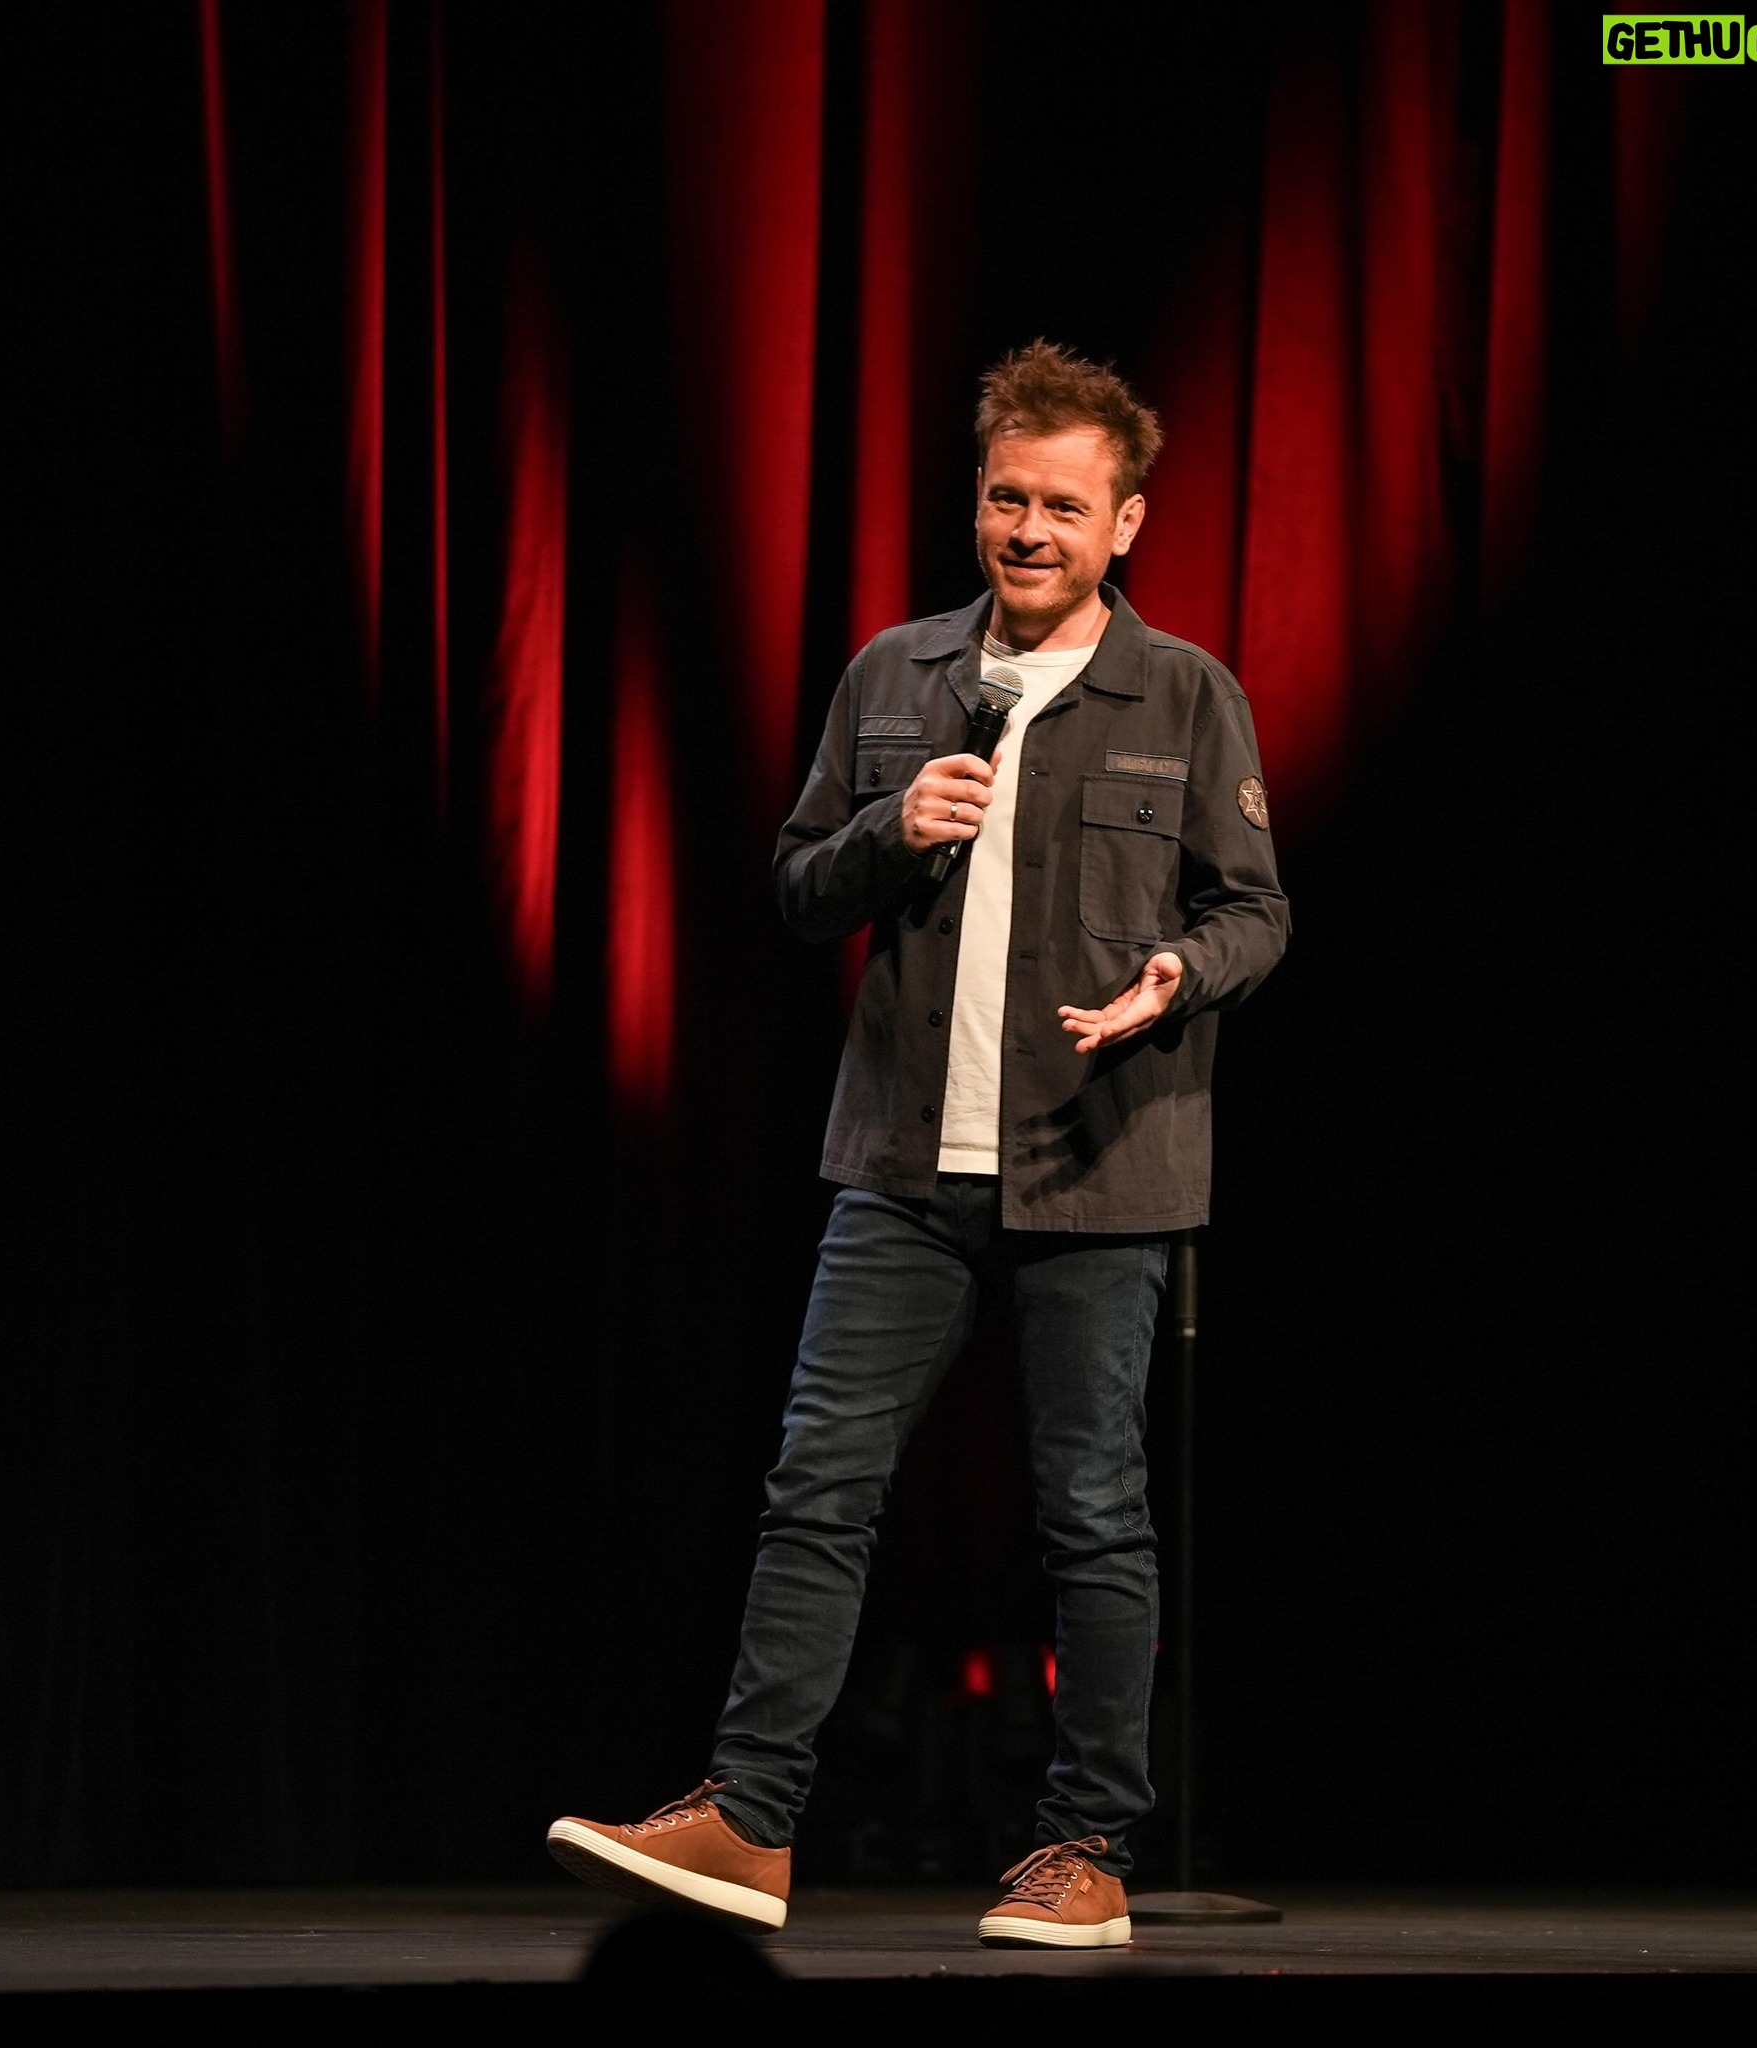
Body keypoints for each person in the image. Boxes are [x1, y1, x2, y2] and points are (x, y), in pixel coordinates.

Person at [550, 341, 1289, 1947]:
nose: (1030, 529)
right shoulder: (896, 675)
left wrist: (1180, 975)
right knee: (817, 1484)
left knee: (1092, 1511)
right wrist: (892, 830)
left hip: (1098, 1170)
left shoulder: (1185, 693)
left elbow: (1256, 912)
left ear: (1126, 522)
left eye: (1065, 506)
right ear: (978, 502)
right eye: (1008, 498)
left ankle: (1086, 1846)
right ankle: (748, 1822)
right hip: (900, 1167)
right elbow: (797, 881)